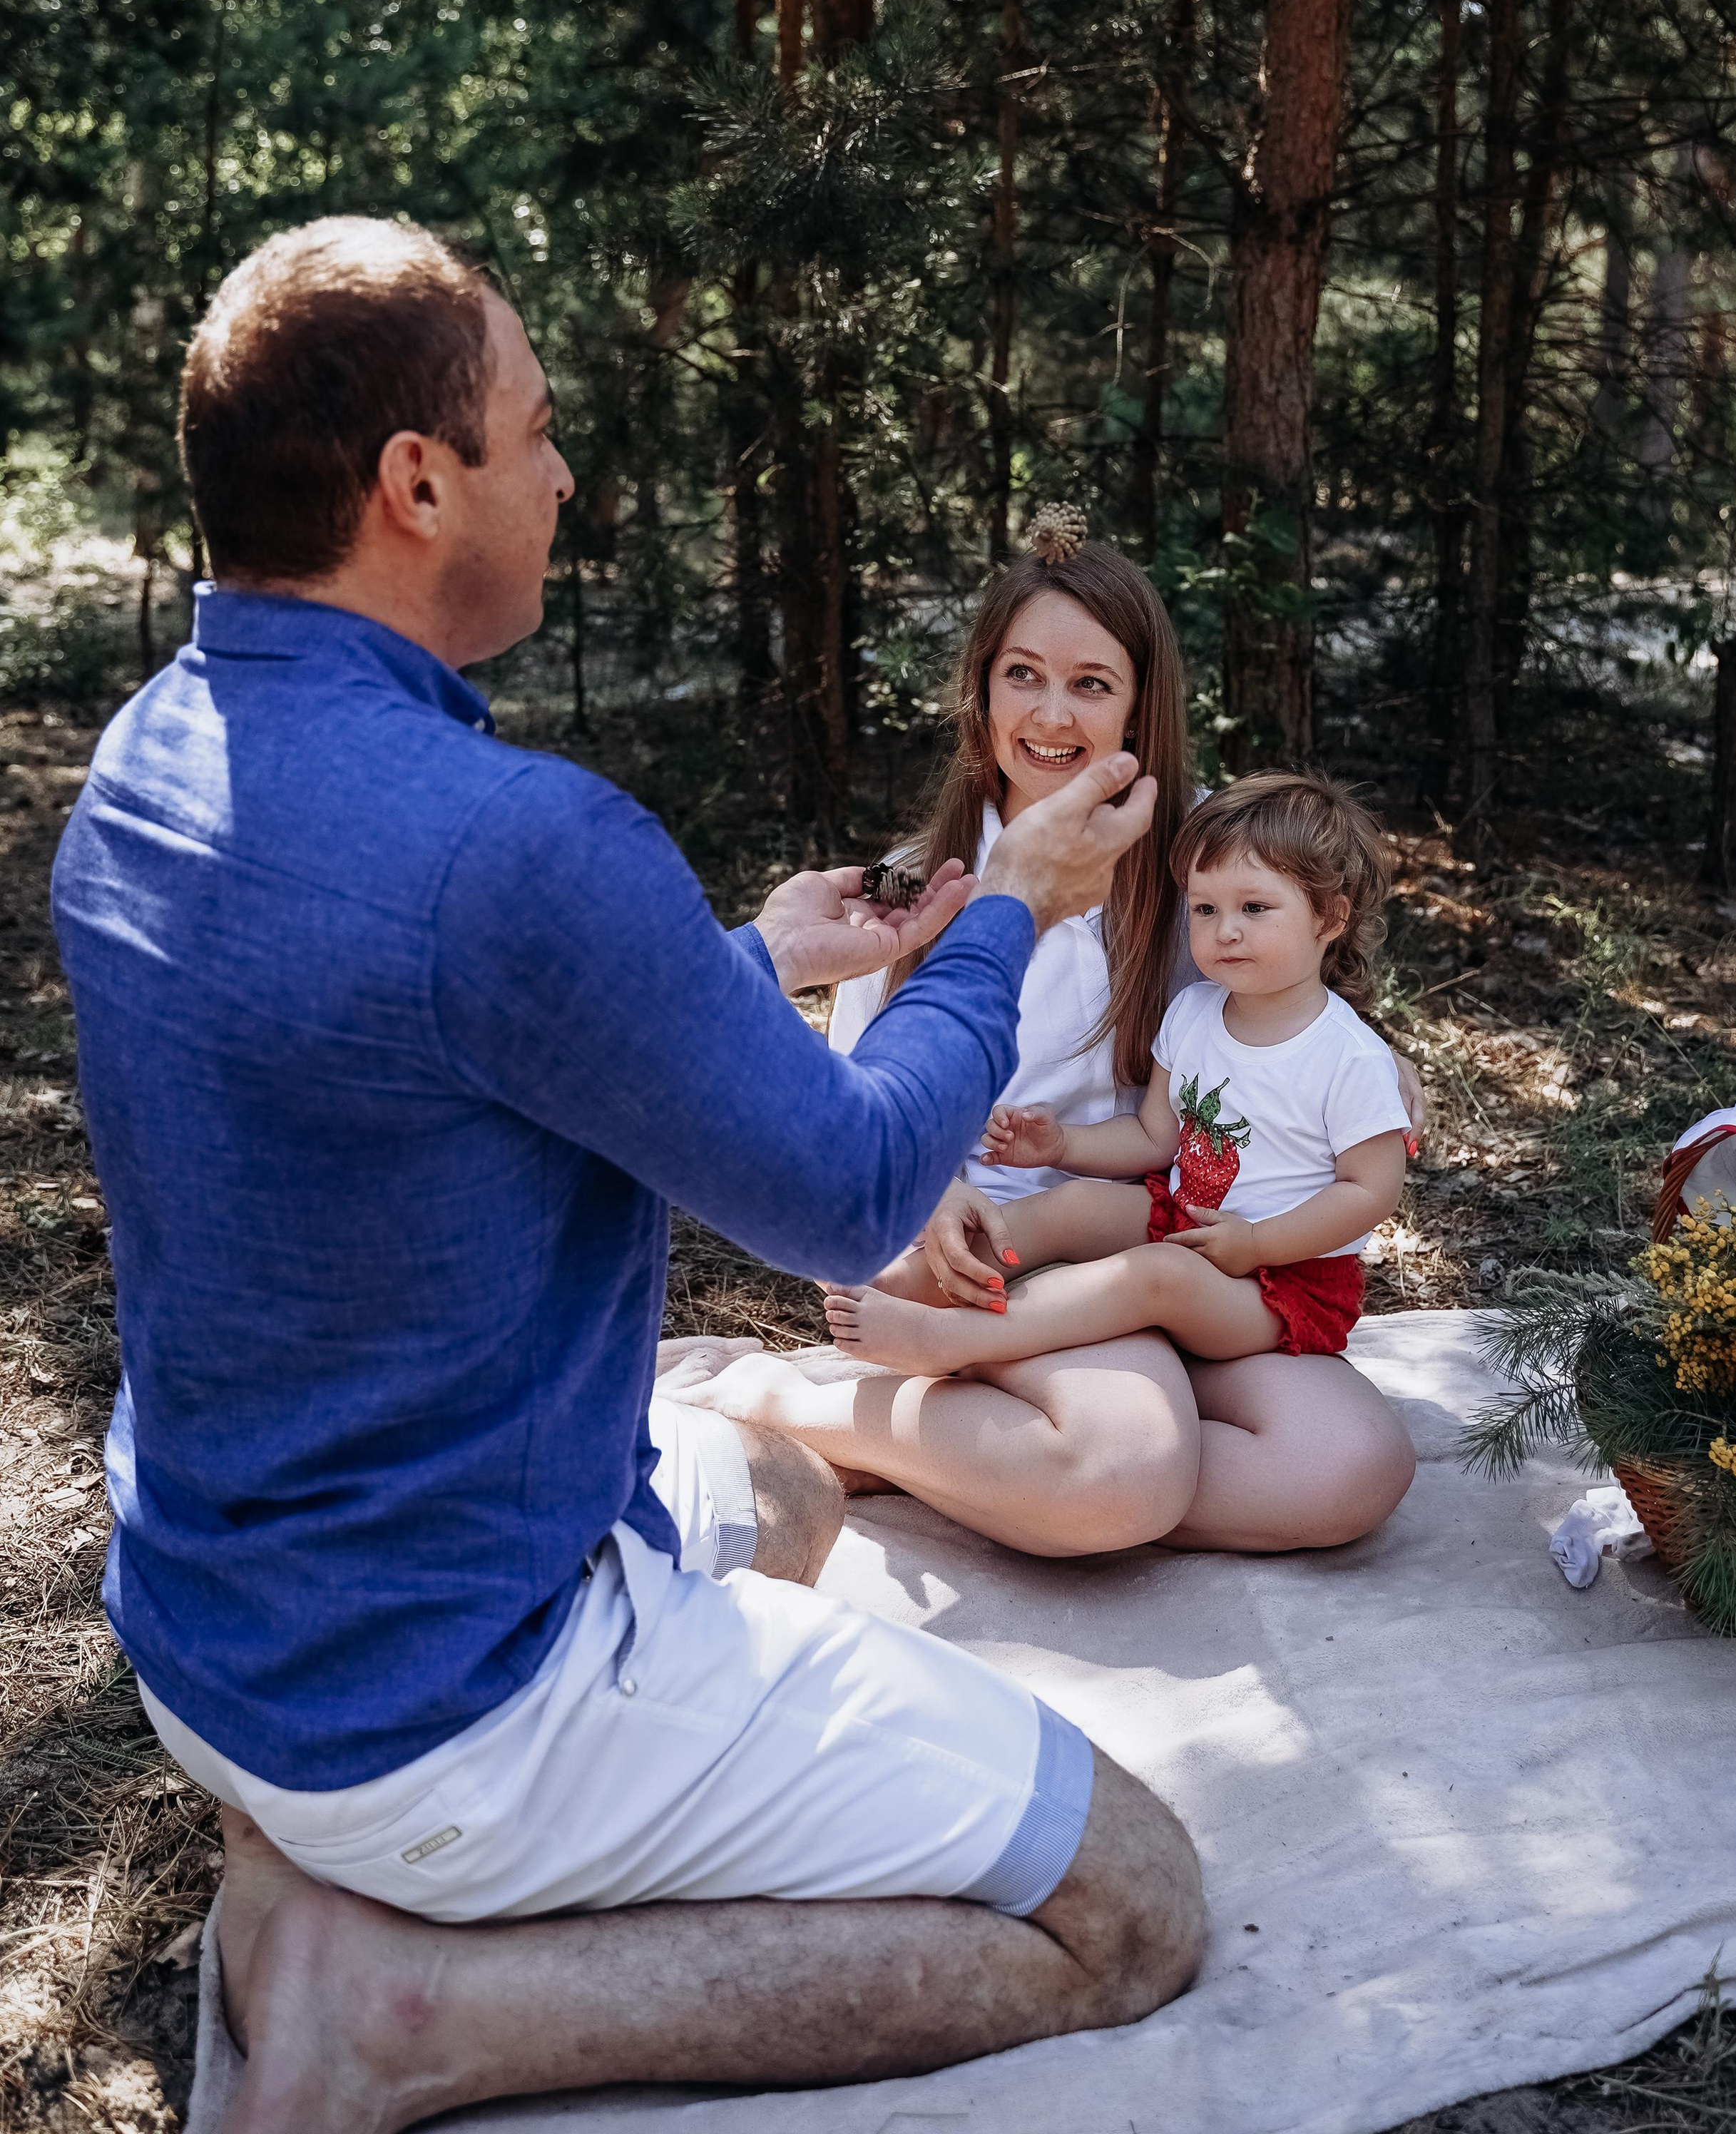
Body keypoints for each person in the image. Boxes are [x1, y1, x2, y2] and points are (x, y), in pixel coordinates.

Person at [51, 218, 1204, 2134]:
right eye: (535, 424)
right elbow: (845, 1194)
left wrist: (749, 969)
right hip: (448, 1701)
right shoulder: (517, 842)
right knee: (1137, 1906)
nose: (568, 470)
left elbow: (417, 1051)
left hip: (223, 1638)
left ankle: (317, 1863)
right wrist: (1008, 911)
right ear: (418, 484)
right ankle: (410, 2018)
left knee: (784, 1482)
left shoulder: (149, 761)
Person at [673, 533, 1422, 1557]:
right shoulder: (920, 885)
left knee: (1348, 1468)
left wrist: (1379, 1061)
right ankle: (787, 1403)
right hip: (972, 1251)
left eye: (1091, 683)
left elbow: (1289, 999)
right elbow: (853, 1113)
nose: (1053, 714)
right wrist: (934, 1191)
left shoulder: (1203, 857)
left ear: (1139, 706)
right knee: (1124, 1469)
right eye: (1022, 675)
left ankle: (969, 1458)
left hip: (1148, 1237)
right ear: (982, 694)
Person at [823, 772, 1409, 1379]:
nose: (1224, 929)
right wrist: (1063, 1144)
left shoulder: (1352, 1058)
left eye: (1254, 908)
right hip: (1188, 1220)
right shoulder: (1194, 1012)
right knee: (1075, 1203)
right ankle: (906, 1284)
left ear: (1331, 918)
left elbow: (1371, 1191)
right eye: (1205, 909)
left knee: (1157, 1275)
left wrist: (1258, 1244)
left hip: (1284, 1281)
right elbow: (1157, 1136)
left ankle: (958, 1338)